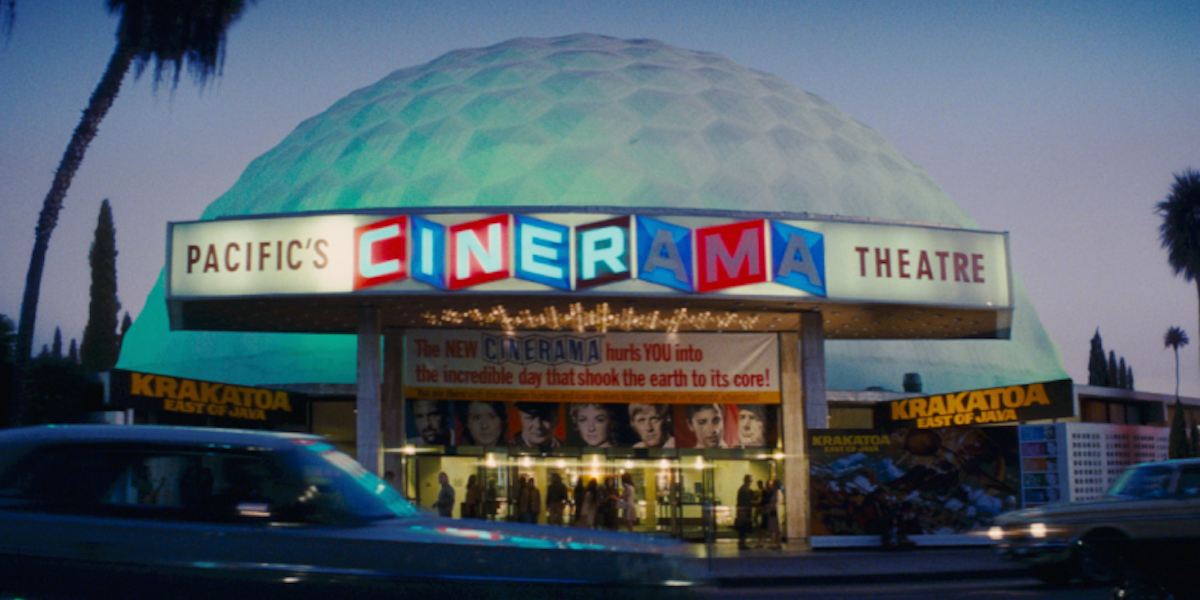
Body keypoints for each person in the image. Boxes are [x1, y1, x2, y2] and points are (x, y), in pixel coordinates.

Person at [735, 474, 755, 549]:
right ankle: (742, 543)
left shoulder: (743, 489)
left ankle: (742, 543)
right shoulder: (745, 490)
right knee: (743, 528)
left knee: (743, 529)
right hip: (744, 511)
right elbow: (746, 501)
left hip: (743, 511)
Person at [767, 479, 783, 550]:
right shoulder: (775, 492)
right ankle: (776, 543)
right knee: (775, 528)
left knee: (777, 528)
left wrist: (772, 507)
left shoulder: (777, 492)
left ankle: (778, 543)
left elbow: (777, 502)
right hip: (774, 511)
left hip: (775, 511)